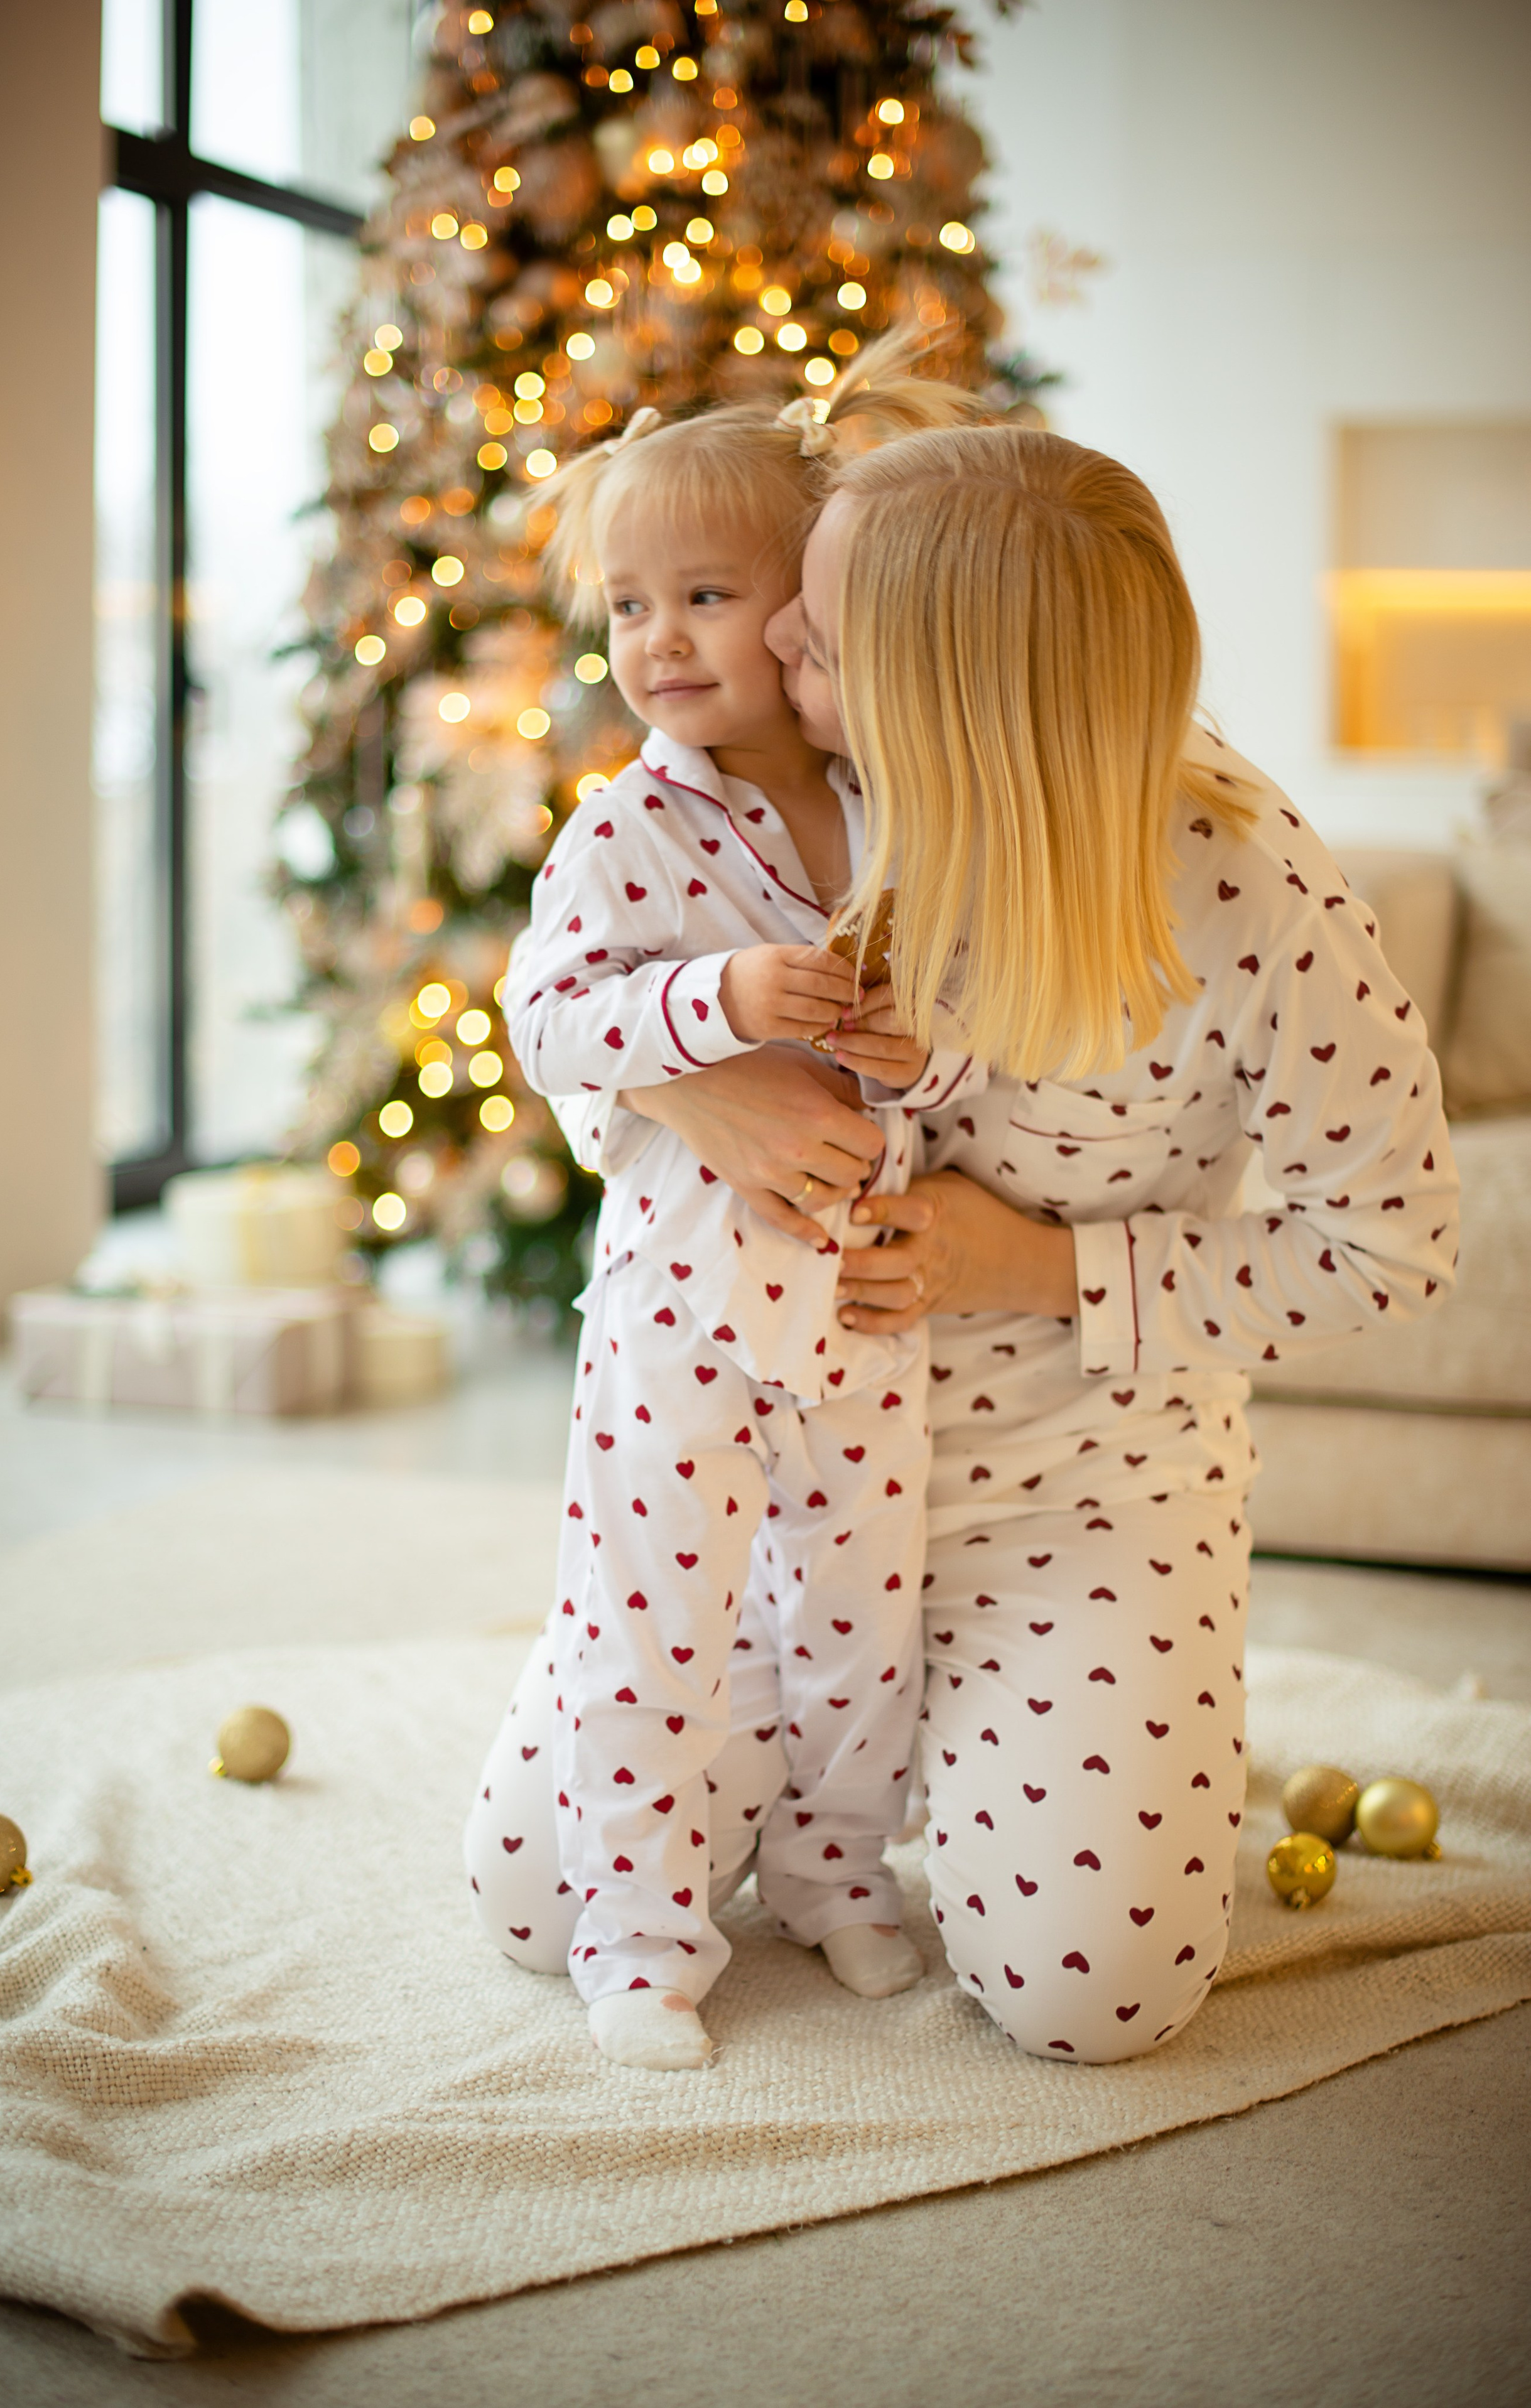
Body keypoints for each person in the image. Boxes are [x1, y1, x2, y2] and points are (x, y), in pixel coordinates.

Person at [480, 421, 1459, 2065]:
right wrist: (703, 1092)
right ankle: (861, 1761)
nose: (776, 631)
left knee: (1097, 1993)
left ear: (950, 695)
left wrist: (1035, 1264)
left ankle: (1031, 1732)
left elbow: (1394, 1242)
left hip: (1073, 1475)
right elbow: (587, 1026)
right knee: (531, 1893)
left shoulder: (1246, 892)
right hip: (785, 1453)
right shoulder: (791, 800)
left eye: (821, 626)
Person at [467, 355, 983, 2071]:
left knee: (858, 1625)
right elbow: (546, 1018)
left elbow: (969, 1038)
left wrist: (925, 1050)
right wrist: (720, 1000)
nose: (662, 638)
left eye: (707, 593)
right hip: (676, 1324)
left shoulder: (895, 806)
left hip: (860, 1323)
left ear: (808, 604)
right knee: (650, 1624)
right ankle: (636, 1925)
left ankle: (836, 1873)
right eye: (630, 603)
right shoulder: (623, 829)